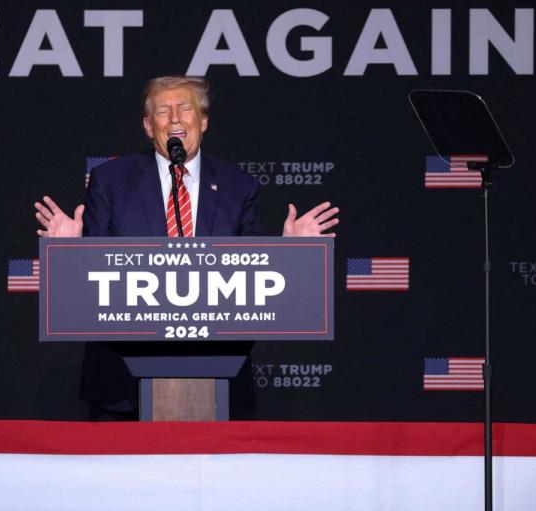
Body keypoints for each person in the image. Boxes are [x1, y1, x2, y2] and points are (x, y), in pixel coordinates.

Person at [34, 76, 338, 420]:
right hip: (121, 382)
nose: (175, 117)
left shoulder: (238, 186)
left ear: (203, 121)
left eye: (186, 108)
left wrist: (290, 256)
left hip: (218, 376)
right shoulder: (111, 180)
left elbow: (255, 274)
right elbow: (91, 277)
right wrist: (69, 254)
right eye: (163, 110)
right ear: (149, 127)